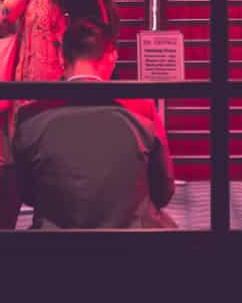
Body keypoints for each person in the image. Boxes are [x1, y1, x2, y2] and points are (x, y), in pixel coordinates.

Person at [0, 0, 120, 229]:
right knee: (54, 160)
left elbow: (1, 19)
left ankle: (4, 232)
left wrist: (16, 37)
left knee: (13, 162)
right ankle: (47, 224)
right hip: (66, 92)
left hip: (26, 92)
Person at [11, 18, 178, 229]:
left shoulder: (31, 116)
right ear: (111, 58)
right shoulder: (141, 111)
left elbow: (26, 191)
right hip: (130, 247)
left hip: (54, 250)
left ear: (62, 58)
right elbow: (164, 189)